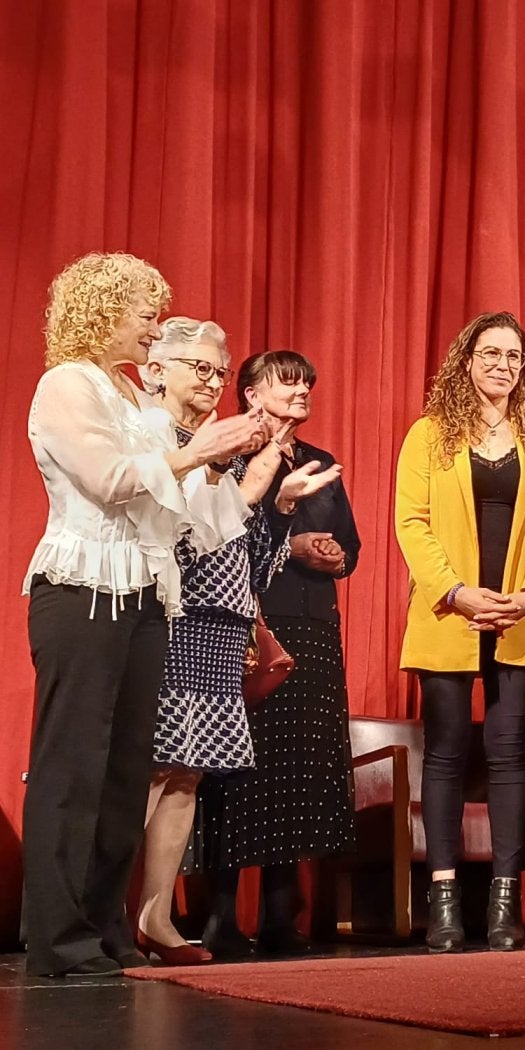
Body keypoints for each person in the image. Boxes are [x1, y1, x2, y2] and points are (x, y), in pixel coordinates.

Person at [22, 253, 263, 977]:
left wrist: (229, 467)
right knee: (74, 769)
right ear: (102, 313)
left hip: (144, 599)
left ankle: (105, 929)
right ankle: (57, 940)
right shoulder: (67, 384)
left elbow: (188, 520)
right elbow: (111, 479)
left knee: (126, 774)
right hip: (83, 592)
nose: (153, 328)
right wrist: (196, 455)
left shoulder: (134, 401)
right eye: (144, 313)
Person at [132, 320, 341, 964]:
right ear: (156, 369)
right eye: (201, 368)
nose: (212, 381)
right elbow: (179, 537)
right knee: (153, 769)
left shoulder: (212, 445)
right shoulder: (153, 438)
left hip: (226, 622)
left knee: (188, 776)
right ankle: (113, 913)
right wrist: (256, 480)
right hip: (178, 615)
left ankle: (156, 919)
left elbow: (242, 550)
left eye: (217, 371)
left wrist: (278, 503)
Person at [394, 312, 525, 952]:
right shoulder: (430, 434)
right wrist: (459, 593)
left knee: (508, 756)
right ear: (466, 361)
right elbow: (411, 523)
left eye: (514, 357)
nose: (502, 365)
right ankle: (443, 904)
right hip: (450, 614)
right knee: (442, 756)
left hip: (518, 619)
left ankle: (503, 903)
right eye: (490, 353)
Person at [198, 350, 360, 956]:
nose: (301, 391)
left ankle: (278, 918)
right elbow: (222, 532)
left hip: (314, 629)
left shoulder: (319, 461)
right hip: (248, 623)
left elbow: (353, 542)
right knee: (238, 771)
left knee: (295, 774)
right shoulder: (230, 453)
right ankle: (218, 917)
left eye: (306, 383)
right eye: (287, 382)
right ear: (250, 394)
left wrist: (337, 554)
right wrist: (292, 545)